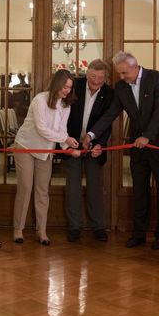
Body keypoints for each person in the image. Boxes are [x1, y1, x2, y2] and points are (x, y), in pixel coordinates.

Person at [83, 51, 159, 250]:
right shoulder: (121, 87)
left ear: (135, 67)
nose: (122, 77)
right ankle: (139, 234)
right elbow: (110, 114)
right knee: (140, 191)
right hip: (138, 147)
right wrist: (91, 134)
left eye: (125, 73)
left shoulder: (156, 78)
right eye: (119, 74)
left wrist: (148, 136)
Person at [12, 69, 80, 245]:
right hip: (25, 146)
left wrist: (68, 147)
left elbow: (62, 131)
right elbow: (42, 129)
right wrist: (65, 140)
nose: (67, 91)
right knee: (26, 187)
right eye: (65, 86)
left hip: (45, 151)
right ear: (57, 84)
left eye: (70, 88)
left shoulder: (66, 106)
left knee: (42, 191)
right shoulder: (40, 100)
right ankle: (18, 229)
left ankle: (41, 231)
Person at [63, 59, 114, 243]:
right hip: (71, 142)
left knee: (95, 187)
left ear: (105, 77)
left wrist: (99, 144)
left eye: (100, 78)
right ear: (87, 73)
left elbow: (107, 123)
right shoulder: (73, 85)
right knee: (73, 187)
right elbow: (61, 114)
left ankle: (98, 226)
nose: (96, 81)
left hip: (94, 147)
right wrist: (66, 142)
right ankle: (74, 226)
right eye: (93, 76)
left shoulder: (109, 94)